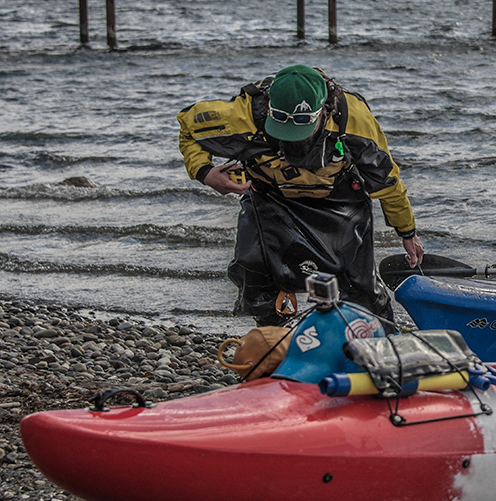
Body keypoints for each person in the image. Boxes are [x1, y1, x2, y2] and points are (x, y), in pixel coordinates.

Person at [177, 64, 423, 327]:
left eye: (301, 128)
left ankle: (378, 337)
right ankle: (276, 335)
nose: (292, 139)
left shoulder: (355, 121)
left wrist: (407, 232)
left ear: (325, 110)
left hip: (339, 200)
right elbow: (188, 125)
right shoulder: (242, 115)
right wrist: (204, 172)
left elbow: (387, 182)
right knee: (253, 270)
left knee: (360, 285)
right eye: (282, 126)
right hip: (271, 197)